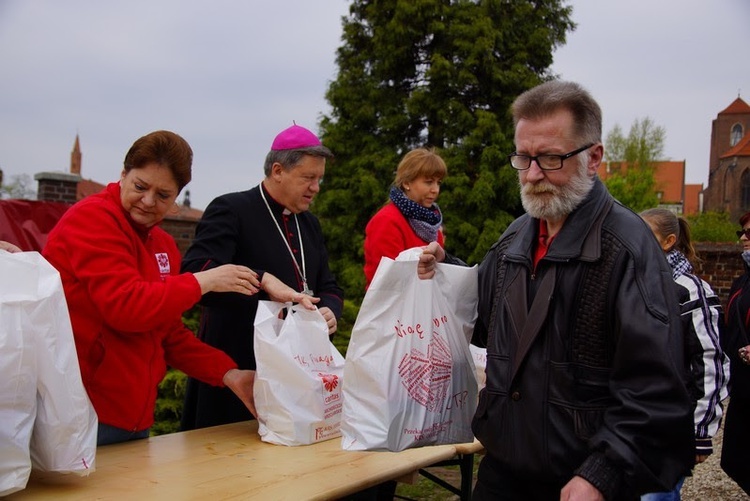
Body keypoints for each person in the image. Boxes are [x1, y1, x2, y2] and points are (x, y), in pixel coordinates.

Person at [418, 80, 694, 500]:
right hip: (502, 474)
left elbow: (655, 390)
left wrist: (602, 473)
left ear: (594, 157)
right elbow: (482, 320)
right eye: (524, 157)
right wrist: (443, 272)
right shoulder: (514, 239)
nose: (531, 174)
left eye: (549, 158)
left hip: (582, 484)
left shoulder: (628, 250)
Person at [42, 130, 315, 446]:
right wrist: (205, 280)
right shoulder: (91, 218)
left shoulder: (162, 243)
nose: (148, 201)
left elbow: (167, 334)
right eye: (140, 187)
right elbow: (126, 308)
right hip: (80, 412)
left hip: (132, 415)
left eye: (163, 195)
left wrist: (230, 375)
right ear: (123, 174)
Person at [180, 123, 344, 430]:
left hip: (297, 371)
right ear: (278, 170)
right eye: (308, 178)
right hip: (239, 364)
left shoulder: (309, 225)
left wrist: (330, 311)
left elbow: (328, 286)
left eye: (319, 179)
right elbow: (195, 273)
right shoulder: (231, 209)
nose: (316, 188)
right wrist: (262, 281)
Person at [639, 208, 729, 501]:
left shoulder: (691, 291)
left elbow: (710, 359)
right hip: (637, 419)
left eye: (646, 236)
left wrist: (701, 431)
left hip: (673, 424)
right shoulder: (636, 286)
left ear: (668, 241)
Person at [363, 148, 447, 288]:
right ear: (407, 183)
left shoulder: (433, 225)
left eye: (438, 183)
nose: (435, 189)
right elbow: (387, 281)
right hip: (396, 306)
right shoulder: (387, 221)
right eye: (428, 182)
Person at [720, 211, 750, 495]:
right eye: (741, 232)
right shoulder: (741, 283)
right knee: (733, 460)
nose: (743, 238)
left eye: (749, 233)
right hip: (742, 389)